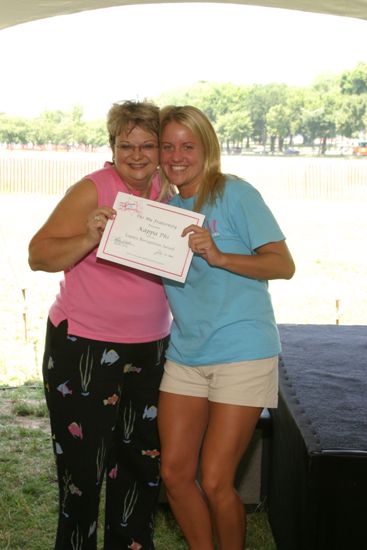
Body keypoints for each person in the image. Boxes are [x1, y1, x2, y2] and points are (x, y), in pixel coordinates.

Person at [28, 100, 173, 550]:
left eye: (147, 144)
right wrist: (90, 235)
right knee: (83, 471)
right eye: (125, 144)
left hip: (150, 349)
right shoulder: (93, 189)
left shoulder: (171, 192)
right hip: (83, 348)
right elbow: (39, 255)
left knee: (140, 465)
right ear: (111, 147)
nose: (136, 154)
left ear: (160, 149)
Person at [157, 105, 296, 550]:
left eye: (188, 145)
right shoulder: (161, 209)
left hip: (243, 351)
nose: (177, 155)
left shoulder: (234, 194)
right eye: (168, 146)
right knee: (175, 475)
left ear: (206, 148)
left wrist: (219, 256)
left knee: (216, 481)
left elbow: (283, 265)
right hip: (186, 354)